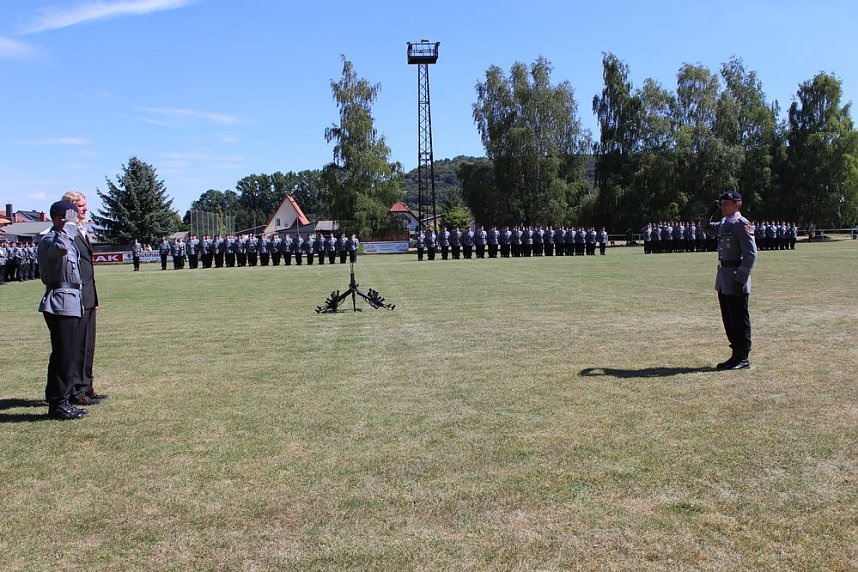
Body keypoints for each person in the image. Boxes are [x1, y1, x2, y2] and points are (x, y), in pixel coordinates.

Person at [38, 201, 88, 420]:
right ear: (60, 218)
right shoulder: (51, 239)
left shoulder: (66, 238)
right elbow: (59, 250)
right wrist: (68, 226)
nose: (77, 220)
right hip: (59, 302)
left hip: (71, 301)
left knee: (68, 354)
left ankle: (61, 399)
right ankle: (58, 403)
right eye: (73, 216)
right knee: (63, 355)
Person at [62, 191, 107, 405]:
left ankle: (87, 386)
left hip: (88, 296)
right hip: (76, 297)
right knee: (78, 346)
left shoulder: (82, 230)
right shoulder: (68, 232)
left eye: (85, 206)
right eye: (80, 206)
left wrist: (93, 298)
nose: (85, 209)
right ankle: (77, 391)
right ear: (70, 209)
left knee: (88, 344)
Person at [706, 191, 758, 370]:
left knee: (738, 317)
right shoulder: (724, 223)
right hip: (723, 277)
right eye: (721, 204)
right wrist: (708, 214)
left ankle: (743, 356)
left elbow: (750, 255)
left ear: (737, 204)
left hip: (736, 277)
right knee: (728, 318)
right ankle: (735, 354)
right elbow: (706, 228)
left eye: (726, 203)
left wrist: (741, 279)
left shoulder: (740, 224)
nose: (722, 206)